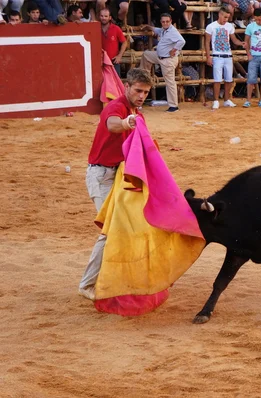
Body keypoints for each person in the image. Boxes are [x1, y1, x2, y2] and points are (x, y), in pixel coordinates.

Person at [78, 68, 153, 301]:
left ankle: (116, 277)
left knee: (129, 226)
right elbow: (113, 125)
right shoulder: (117, 108)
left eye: (146, 92)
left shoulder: (136, 114)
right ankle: (87, 284)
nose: (142, 96)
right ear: (127, 87)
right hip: (101, 176)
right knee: (110, 231)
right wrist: (127, 122)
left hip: (120, 175)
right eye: (138, 91)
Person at [139, 13, 186, 112]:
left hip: (168, 59)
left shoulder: (173, 31)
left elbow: (182, 41)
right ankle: (145, 74)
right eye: (163, 22)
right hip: (160, 57)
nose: (165, 23)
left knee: (170, 82)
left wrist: (174, 50)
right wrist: (148, 27)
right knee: (146, 55)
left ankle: (174, 106)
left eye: (167, 22)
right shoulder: (163, 30)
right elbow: (156, 29)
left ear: (171, 21)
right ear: (161, 22)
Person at [205, 6, 247, 109]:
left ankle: (226, 99)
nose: (226, 19)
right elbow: (207, 42)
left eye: (227, 17)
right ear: (219, 14)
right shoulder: (211, 26)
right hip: (217, 55)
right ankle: (216, 100)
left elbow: (234, 40)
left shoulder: (229, 26)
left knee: (229, 79)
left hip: (228, 55)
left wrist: (241, 43)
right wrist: (208, 56)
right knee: (217, 79)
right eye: (224, 17)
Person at [100, 9, 127, 76]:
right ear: (99, 17)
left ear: (110, 18)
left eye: (106, 16)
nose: (103, 18)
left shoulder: (116, 28)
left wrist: (119, 56)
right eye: (102, 16)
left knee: (116, 84)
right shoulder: (95, 28)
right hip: (100, 62)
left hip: (113, 61)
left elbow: (124, 42)